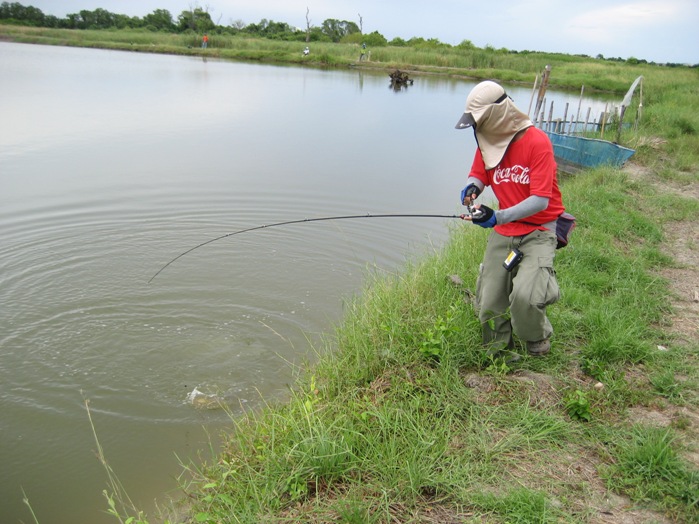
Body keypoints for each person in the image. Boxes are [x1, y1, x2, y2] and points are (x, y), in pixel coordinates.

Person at [455, 80, 566, 360]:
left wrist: (497, 216)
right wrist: (472, 189)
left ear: (497, 115)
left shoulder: (536, 142)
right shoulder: (487, 143)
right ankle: (498, 350)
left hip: (539, 229)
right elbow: (479, 174)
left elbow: (540, 200)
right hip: (505, 229)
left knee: (525, 296)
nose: (477, 129)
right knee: (489, 300)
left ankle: (536, 335)